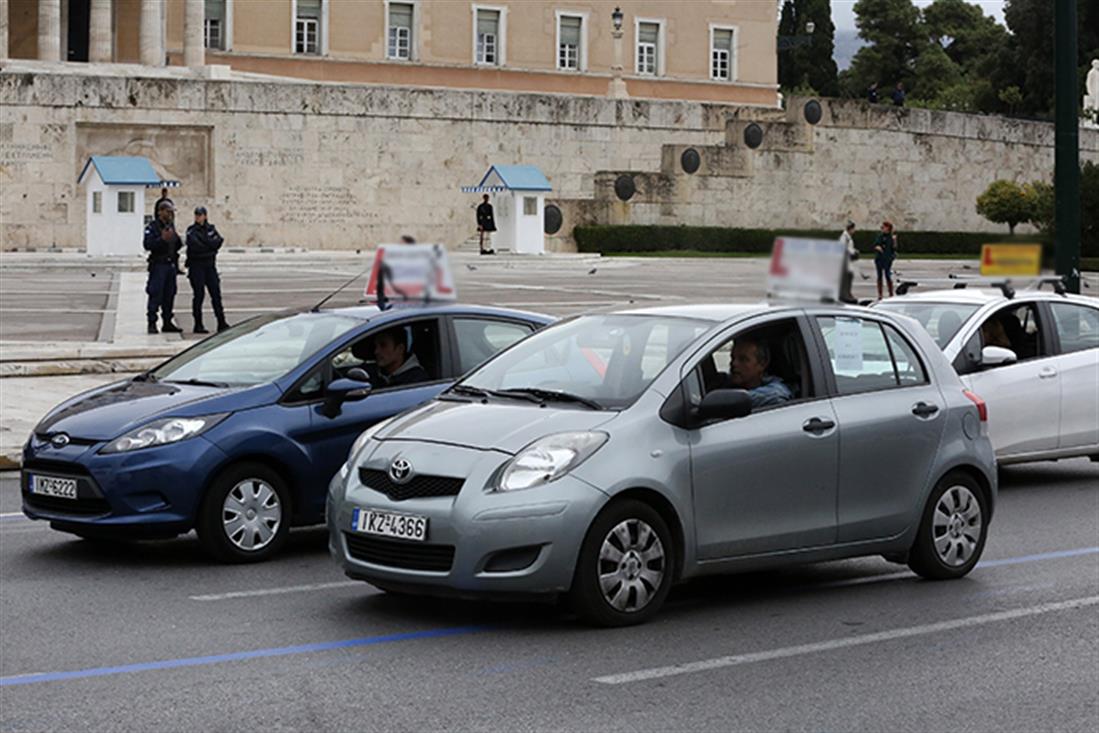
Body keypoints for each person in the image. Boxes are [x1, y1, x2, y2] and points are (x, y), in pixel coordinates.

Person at [185, 206, 230, 334]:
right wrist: (209, 246)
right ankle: (198, 324)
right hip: (196, 267)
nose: (198, 217)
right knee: (199, 296)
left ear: (205, 216)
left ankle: (221, 322)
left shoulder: (211, 228)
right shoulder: (191, 230)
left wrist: (208, 246)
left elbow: (218, 241)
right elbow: (195, 246)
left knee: (216, 295)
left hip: (210, 266)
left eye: (200, 215)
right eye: (196, 215)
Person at [143, 201, 183, 334]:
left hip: (170, 265)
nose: (170, 214)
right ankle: (152, 322)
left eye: (171, 212)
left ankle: (167, 322)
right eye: (168, 211)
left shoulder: (170, 226)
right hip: (159, 265)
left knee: (169, 294)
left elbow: (177, 245)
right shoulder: (153, 227)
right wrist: (162, 239)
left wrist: (176, 239)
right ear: (160, 212)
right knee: (155, 293)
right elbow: (147, 244)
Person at [728, 339, 792, 409]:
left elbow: (776, 394)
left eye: (743, 359)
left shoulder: (775, 392)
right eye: (733, 358)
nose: (734, 363)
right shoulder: (727, 383)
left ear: (762, 364)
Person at [873, 221, 898, 299]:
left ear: (888, 228)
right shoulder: (880, 236)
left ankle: (891, 293)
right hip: (879, 258)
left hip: (887, 258)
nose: (882, 228)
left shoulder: (891, 237)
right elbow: (875, 244)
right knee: (879, 276)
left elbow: (894, 248)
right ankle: (880, 294)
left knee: (887, 275)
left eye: (883, 227)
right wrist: (877, 247)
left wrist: (894, 240)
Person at [839, 220, 859, 303]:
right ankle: (844, 295)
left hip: (848, 260)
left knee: (849, 277)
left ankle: (847, 293)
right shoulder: (844, 237)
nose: (854, 231)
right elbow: (843, 248)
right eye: (853, 229)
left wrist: (854, 251)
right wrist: (853, 252)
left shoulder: (848, 237)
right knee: (846, 278)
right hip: (845, 261)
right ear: (850, 229)